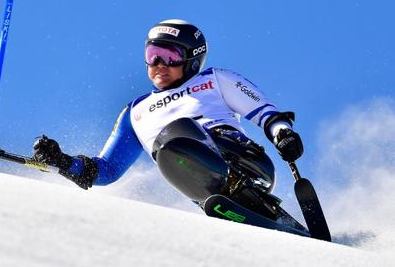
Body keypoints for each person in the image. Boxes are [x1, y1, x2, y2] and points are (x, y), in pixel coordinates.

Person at [31, 19, 304, 218]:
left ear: (193, 59)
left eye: (170, 56)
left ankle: (238, 186)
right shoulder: (135, 111)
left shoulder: (214, 80)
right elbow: (106, 171)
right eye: (153, 56)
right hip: (198, 180)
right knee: (169, 144)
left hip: (247, 164)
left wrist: (284, 134)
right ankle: (225, 199)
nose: (159, 65)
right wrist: (63, 161)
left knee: (177, 130)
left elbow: (266, 113)